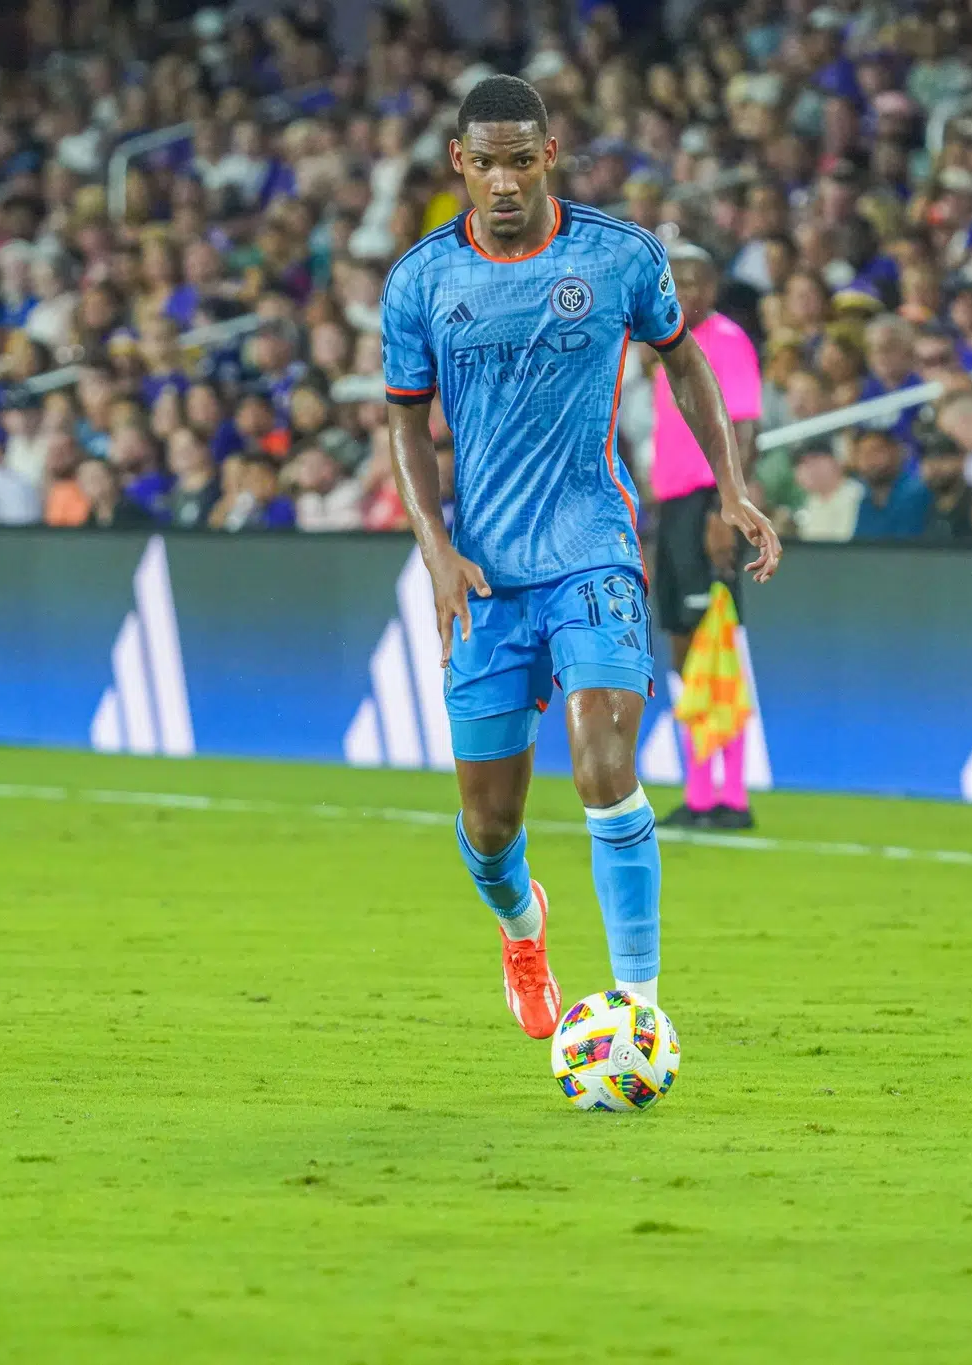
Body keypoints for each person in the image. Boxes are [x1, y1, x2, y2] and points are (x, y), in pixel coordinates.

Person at [381, 75, 780, 1038]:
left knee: (606, 763)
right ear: (459, 168)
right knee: (489, 830)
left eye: (523, 160)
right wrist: (435, 549)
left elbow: (682, 358)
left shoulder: (619, 257)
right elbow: (403, 424)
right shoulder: (423, 280)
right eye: (487, 164)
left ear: (550, 154)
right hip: (483, 576)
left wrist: (730, 484)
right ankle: (525, 930)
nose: (506, 182)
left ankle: (639, 1006)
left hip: (593, 551)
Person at [646, 242, 764, 831]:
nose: (685, 291)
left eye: (695, 281)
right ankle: (698, 792)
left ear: (713, 289)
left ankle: (733, 796)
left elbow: (744, 428)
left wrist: (728, 505)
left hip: (707, 505)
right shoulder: (664, 350)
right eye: (676, 280)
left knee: (714, 644)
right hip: (671, 510)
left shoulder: (726, 340)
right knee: (681, 647)